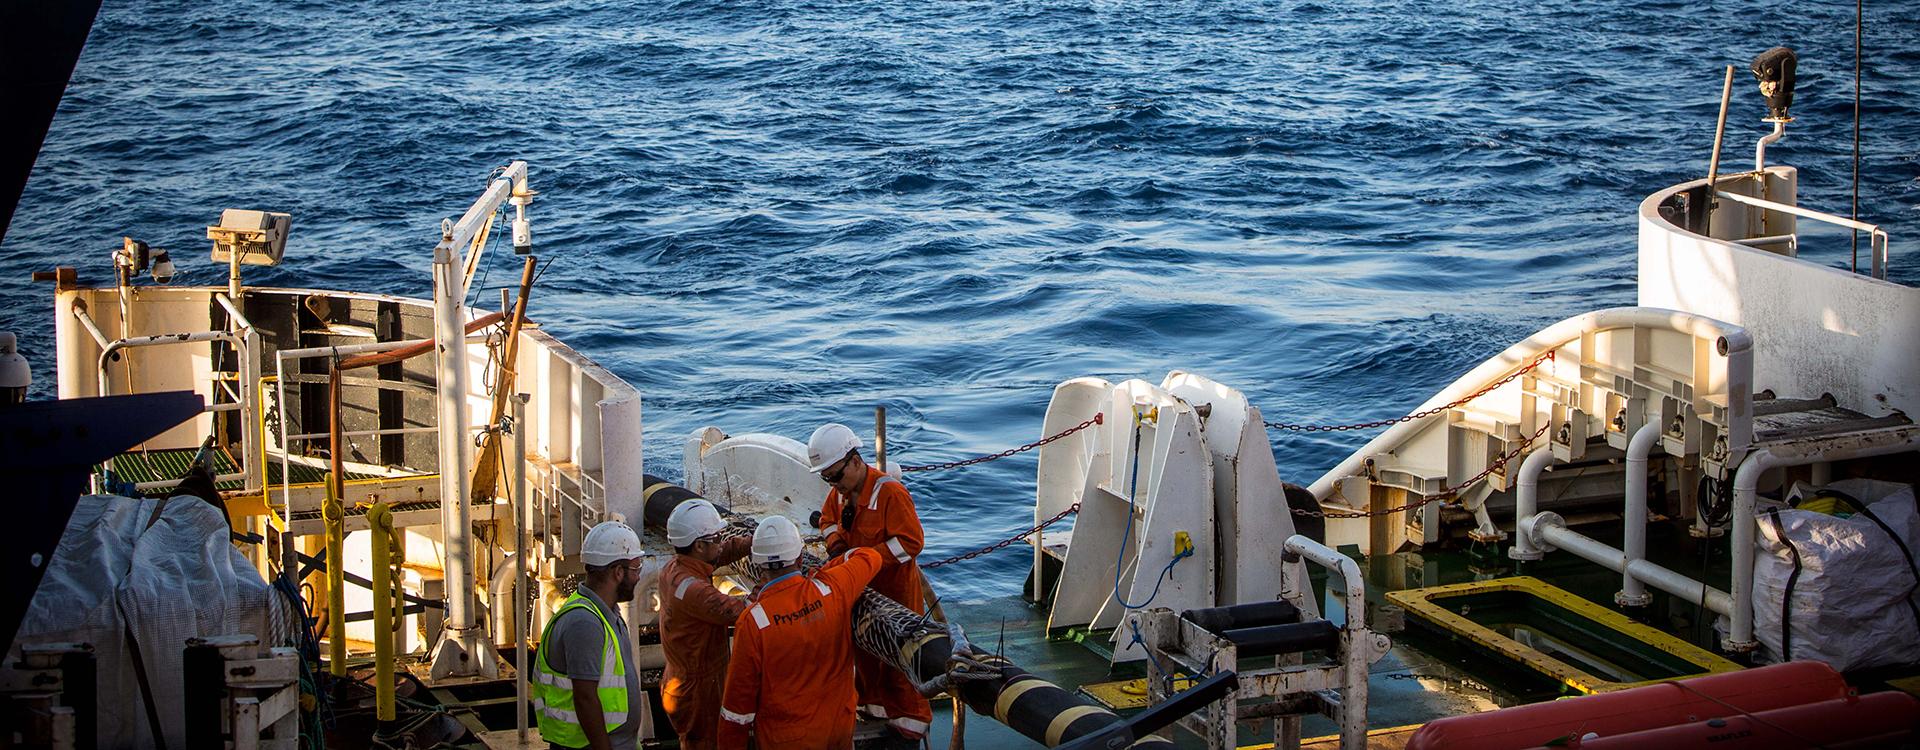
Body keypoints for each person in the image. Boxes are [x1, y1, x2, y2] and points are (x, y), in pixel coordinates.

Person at [808, 423, 933, 744]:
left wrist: (865, 559)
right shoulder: (839, 494)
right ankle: (876, 714)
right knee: (866, 661)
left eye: (835, 476)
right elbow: (825, 520)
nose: (832, 484)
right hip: (861, 595)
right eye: (826, 478)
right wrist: (836, 544)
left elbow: (911, 542)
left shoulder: (889, 492)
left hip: (896, 598)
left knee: (900, 667)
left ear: (854, 461)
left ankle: (910, 728)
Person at [718, 516, 886, 750]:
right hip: (838, 728)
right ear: (799, 557)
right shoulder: (831, 587)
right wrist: (828, 568)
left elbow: (738, 708)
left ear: (757, 563)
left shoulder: (754, 621)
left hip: (786, 739)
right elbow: (870, 556)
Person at [535, 521, 648, 750]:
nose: (638, 577)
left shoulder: (606, 614)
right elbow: (585, 697)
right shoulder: (584, 623)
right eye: (636, 570)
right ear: (618, 572)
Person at [658, 498, 753, 750]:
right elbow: (740, 609)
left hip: (683, 681)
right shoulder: (694, 591)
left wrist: (754, 543)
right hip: (699, 690)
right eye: (717, 538)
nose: (721, 542)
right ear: (699, 545)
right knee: (707, 743)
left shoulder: (676, 568)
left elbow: (722, 553)